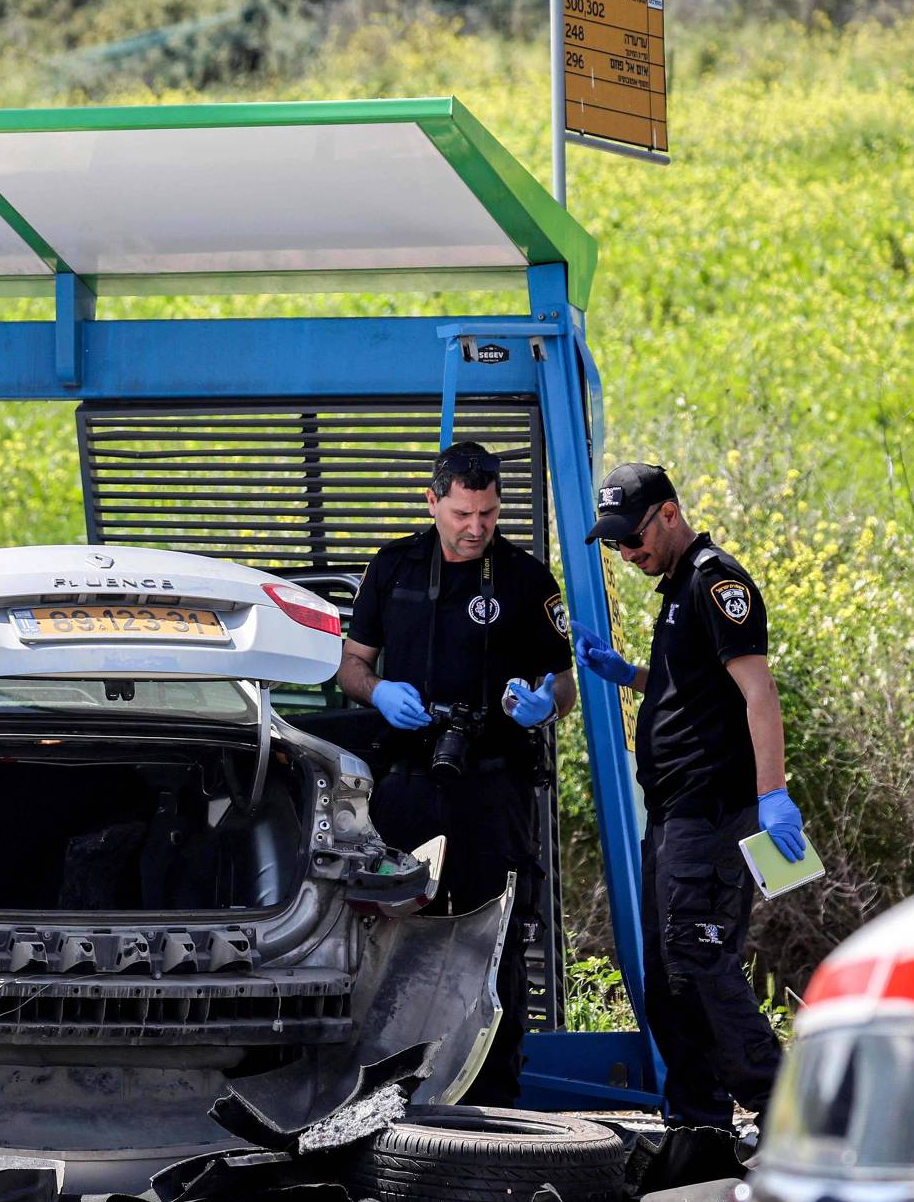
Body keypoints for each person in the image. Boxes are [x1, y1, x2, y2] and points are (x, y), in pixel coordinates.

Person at [569, 462, 808, 1133]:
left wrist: (774, 795)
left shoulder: (714, 580)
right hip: (674, 814)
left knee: (700, 960)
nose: (627, 553)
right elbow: (694, 690)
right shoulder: (675, 587)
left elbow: (758, 694)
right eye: (615, 544)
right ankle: (698, 1123)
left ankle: (785, 1108)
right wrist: (630, 675)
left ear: (668, 515)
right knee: (669, 979)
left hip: (711, 811)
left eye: (633, 537)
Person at [336, 440, 575, 1105]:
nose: (476, 529)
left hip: (491, 784)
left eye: (490, 515)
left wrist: (542, 706)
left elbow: (564, 682)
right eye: (463, 514)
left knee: (494, 935)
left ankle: (492, 1095)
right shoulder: (394, 569)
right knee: (388, 929)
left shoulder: (526, 579)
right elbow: (351, 666)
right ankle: (379, 1088)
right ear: (433, 501)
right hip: (408, 782)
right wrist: (378, 692)